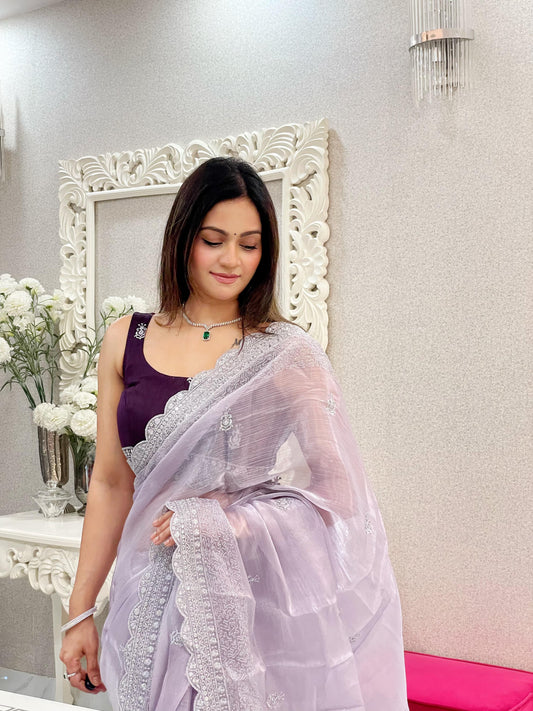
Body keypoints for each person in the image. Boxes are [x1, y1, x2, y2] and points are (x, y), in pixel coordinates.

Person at [60, 157, 408, 710]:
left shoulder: (284, 353)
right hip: (142, 593)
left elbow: (338, 494)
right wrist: (80, 612)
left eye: (250, 245)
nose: (231, 260)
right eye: (213, 240)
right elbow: (109, 483)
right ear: (182, 239)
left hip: (242, 598)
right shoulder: (126, 338)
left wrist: (229, 524)